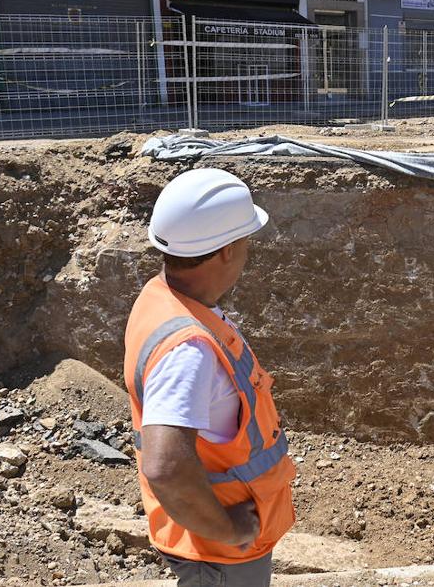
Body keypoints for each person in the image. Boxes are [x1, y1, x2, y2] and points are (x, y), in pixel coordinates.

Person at [123, 168, 296, 586]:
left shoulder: (161, 297)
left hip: (213, 544)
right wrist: (227, 529)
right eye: (246, 240)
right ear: (225, 250)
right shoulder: (189, 349)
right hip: (220, 553)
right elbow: (165, 466)